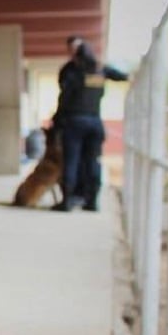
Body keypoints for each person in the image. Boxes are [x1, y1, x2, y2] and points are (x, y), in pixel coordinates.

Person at [52, 39, 128, 211]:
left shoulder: (72, 72)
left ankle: (67, 201)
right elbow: (122, 76)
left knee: (71, 161)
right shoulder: (100, 71)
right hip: (95, 123)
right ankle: (92, 201)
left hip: (74, 122)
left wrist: (56, 122)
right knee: (93, 162)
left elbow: (63, 99)